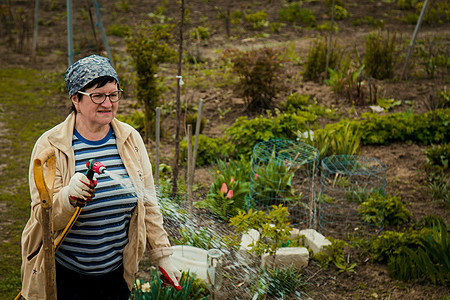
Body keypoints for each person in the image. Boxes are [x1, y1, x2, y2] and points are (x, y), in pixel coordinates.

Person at [20, 54, 181, 299]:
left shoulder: (130, 139)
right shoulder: (50, 146)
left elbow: (148, 204)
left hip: (116, 275)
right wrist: (68, 196)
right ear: (76, 99)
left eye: (113, 94)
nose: (108, 103)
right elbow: (42, 218)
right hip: (65, 277)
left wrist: (162, 256)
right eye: (97, 96)